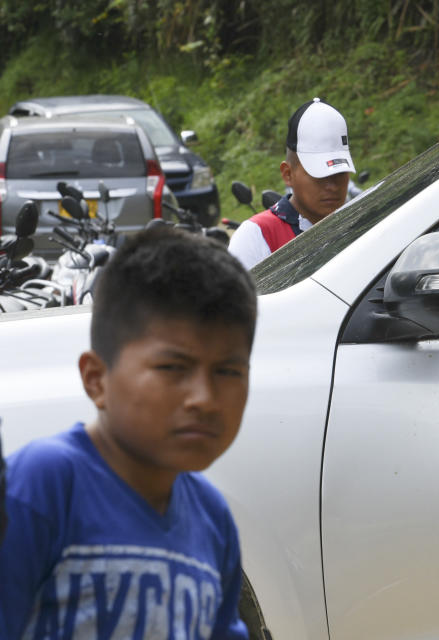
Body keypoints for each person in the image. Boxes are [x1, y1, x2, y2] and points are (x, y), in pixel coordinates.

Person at [0, 225, 257, 639]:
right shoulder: (42, 485)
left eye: (228, 371)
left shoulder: (213, 519)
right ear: (97, 379)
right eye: (173, 368)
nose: (204, 399)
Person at [229, 98, 355, 269]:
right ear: (288, 174)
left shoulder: (360, 225)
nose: (332, 186)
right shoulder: (257, 235)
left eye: (339, 173)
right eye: (319, 175)